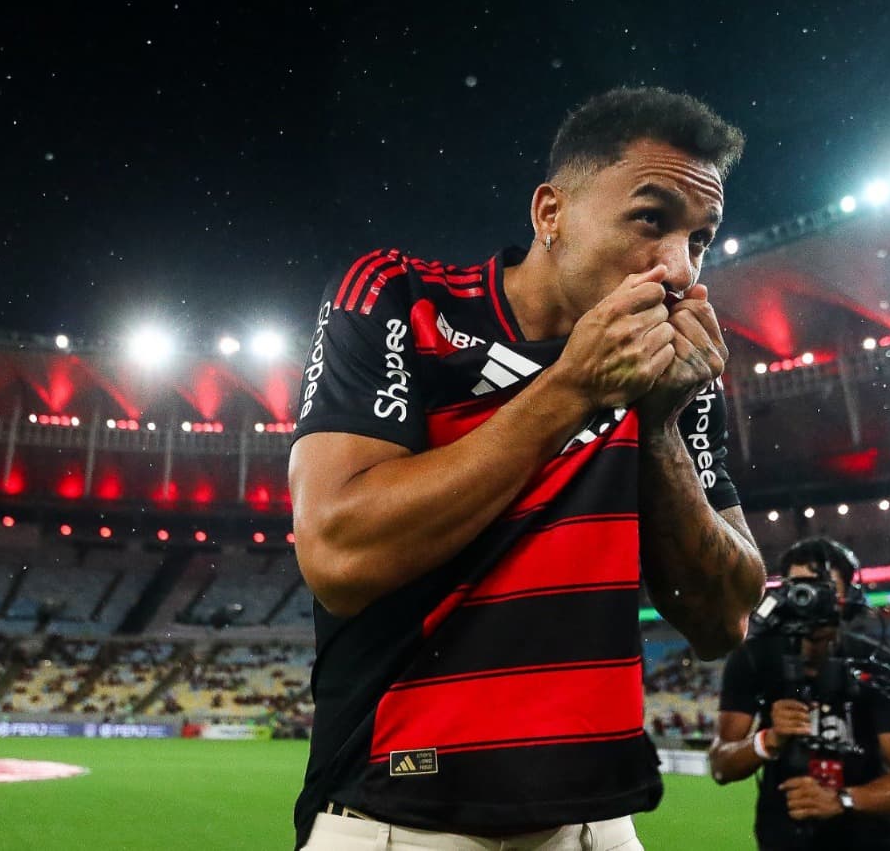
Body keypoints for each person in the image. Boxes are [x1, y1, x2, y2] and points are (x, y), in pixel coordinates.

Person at [288, 87, 766, 850]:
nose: (679, 268)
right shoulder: (400, 299)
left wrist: (659, 427)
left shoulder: (672, 377)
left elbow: (723, 621)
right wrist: (573, 389)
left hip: (597, 828)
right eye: (651, 219)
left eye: (701, 239)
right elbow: (340, 555)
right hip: (398, 821)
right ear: (551, 214)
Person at [709, 537, 890, 850]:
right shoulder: (752, 659)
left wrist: (842, 800)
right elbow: (721, 765)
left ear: (848, 599)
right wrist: (766, 740)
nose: (807, 598)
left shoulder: (880, 666)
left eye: (822, 587)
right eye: (799, 588)